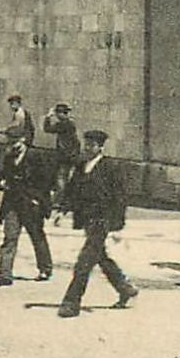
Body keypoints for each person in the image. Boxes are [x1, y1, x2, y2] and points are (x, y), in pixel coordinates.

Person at [57, 130, 137, 317]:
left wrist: (117, 226)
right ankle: (125, 288)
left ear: (100, 147)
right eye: (86, 144)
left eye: (91, 145)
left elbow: (120, 198)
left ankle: (71, 303)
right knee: (100, 257)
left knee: (83, 262)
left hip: (103, 221)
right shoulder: (81, 165)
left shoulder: (111, 167)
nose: (87, 148)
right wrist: (62, 210)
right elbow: (72, 191)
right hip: (87, 220)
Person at [0, 132, 55, 284]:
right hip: (12, 203)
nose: (12, 144)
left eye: (15, 140)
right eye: (10, 141)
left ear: (22, 139)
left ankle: (45, 268)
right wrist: (1, 181)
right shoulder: (9, 157)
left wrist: (39, 200)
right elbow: (2, 176)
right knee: (10, 237)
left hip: (31, 204)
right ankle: (5, 274)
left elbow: (46, 181)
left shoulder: (36, 156)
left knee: (36, 236)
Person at [42, 102, 76, 195]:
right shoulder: (70, 123)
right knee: (64, 177)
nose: (56, 115)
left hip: (64, 155)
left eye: (57, 113)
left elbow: (47, 129)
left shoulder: (63, 124)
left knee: (61, 178)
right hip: (70, 155)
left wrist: (48, 117)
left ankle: (59, 200)